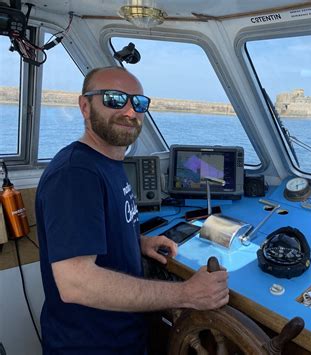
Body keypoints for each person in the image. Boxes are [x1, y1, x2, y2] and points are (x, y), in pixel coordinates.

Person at [35, 66, 229, 354]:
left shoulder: (108, 162)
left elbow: (98, 231)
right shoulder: (75, 175)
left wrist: (138, 242)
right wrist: (187, 293)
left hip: (125, 335)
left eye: (138, 103)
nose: (130, 111)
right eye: (114, 99)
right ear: (85, 106)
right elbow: (76, 283)